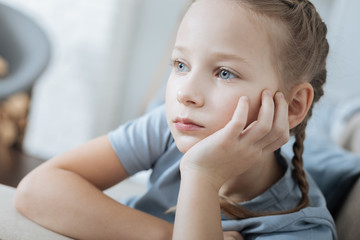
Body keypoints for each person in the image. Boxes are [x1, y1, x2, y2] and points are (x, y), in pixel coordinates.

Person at [14, 0, 336, 239]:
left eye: (224, 73)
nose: (186, 93)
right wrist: (167, 234)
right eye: (181, 65)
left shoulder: (302, 231)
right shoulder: (174, 127)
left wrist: (202, 175)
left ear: (293, 106)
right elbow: (35, 191)